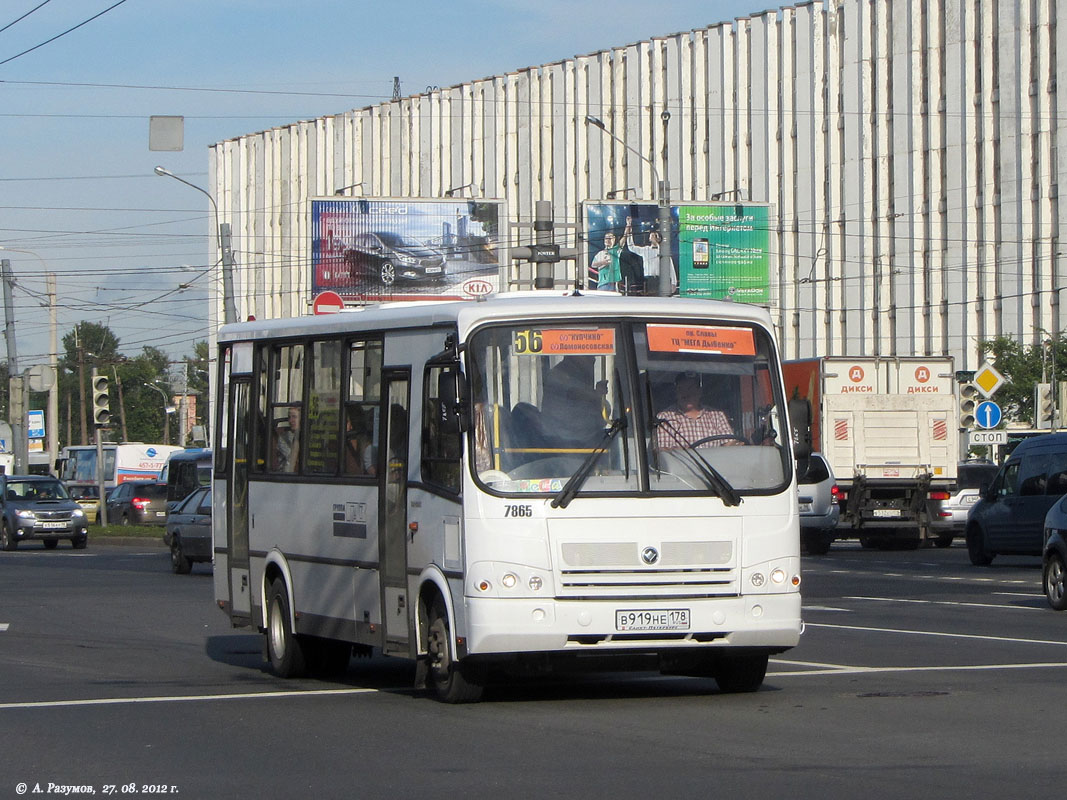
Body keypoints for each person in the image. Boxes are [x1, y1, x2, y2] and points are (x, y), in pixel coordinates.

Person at [656, 371, 738, 450]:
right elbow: (662, 450)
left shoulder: (717, 415)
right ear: (676, 392)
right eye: (681, 389)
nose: (686, 393)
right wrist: (688, 451)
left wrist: (740, 445)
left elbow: (729, 444)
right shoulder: (665, 418)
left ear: (700, 391)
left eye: (690, 388)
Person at [624, 227, 677, 293]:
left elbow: (670, 267)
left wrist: (674, 283)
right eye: (652, 236)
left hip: (661, 280)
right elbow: (631, 247)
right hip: (649, 280)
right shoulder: (645, 250)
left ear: (659, 238)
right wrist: (629, 233)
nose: (653, 237)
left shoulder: (664, 252)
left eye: (655, 236)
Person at [274, 406, 301, 472]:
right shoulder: (284, 438)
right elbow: (290, 462)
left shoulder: (310, 437)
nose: (290, 421)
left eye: (294, 417)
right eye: (289, 417)